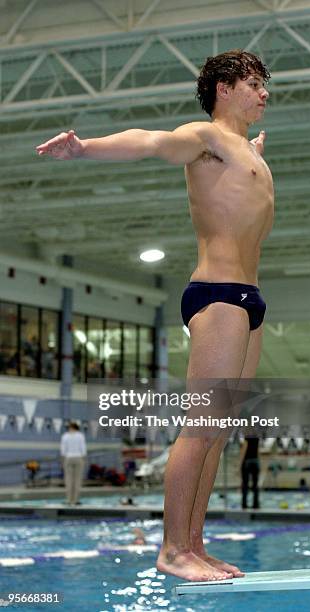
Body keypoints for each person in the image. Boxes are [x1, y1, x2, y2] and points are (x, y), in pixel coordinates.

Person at [36, 49, 273, 581]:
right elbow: (150, 141)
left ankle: (195, 544)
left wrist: (251, 153)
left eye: (265, 85)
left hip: (249, 300)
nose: (264, 94)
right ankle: (170, 550)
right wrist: (85, 148)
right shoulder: (206, 138)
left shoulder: (244, 149)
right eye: (254, 83)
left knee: (218, 430)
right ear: (223, 88)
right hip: (218, 293)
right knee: (200, 427)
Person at [60, 421, 87, 505]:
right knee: (77, 480)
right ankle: (75, 500)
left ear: (70, 427)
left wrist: (62, 460)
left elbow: (63, 450)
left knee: (68, 480)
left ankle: (69, 500)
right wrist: (84, 458)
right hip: (78, 457)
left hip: (68, 457)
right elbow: (83, 448)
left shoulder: (65, 436)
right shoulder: (80, 436)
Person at [239, 436, 260, 509]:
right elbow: (257, 450)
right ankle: (256, 504)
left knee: (245, 484)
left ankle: (244, 505)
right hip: (255, 460)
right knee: (255, 484)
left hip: (247, 461)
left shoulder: (247, 434)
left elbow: (245, 447)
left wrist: (240, 462)